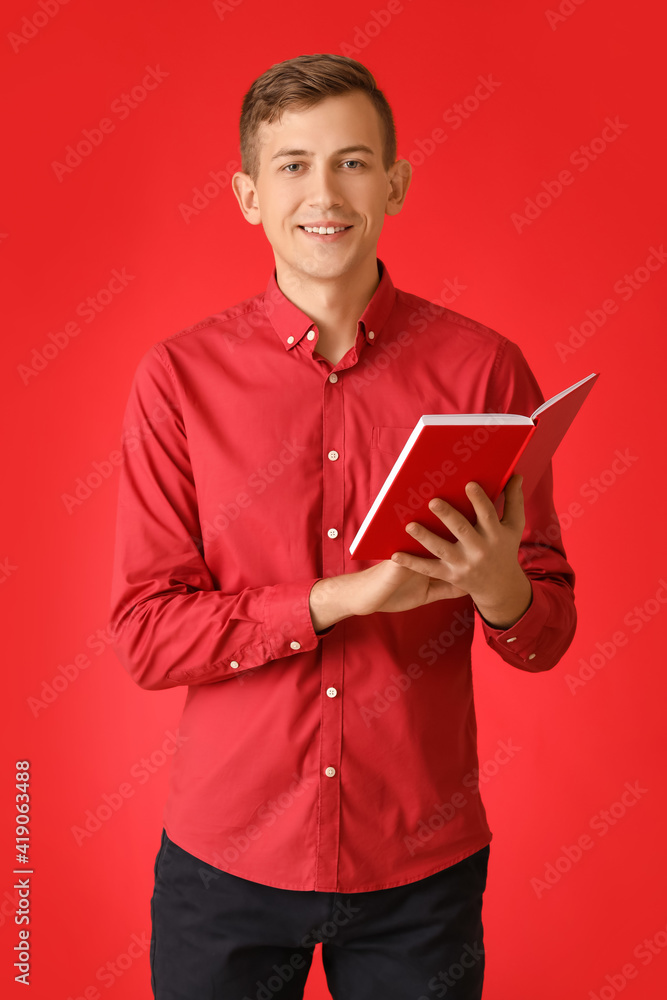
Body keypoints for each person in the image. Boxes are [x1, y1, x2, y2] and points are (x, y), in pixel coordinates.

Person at [108, 53, 577, 1000]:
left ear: (394, 183)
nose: (323, 191)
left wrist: (499, 590)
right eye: (291, 165)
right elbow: (146, 637)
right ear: (247, 194)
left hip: (420, 866)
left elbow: (546, 634)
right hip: (223, 865)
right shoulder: (176, 381)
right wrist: (334, 600)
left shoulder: (484, 372)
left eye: (353, 161)